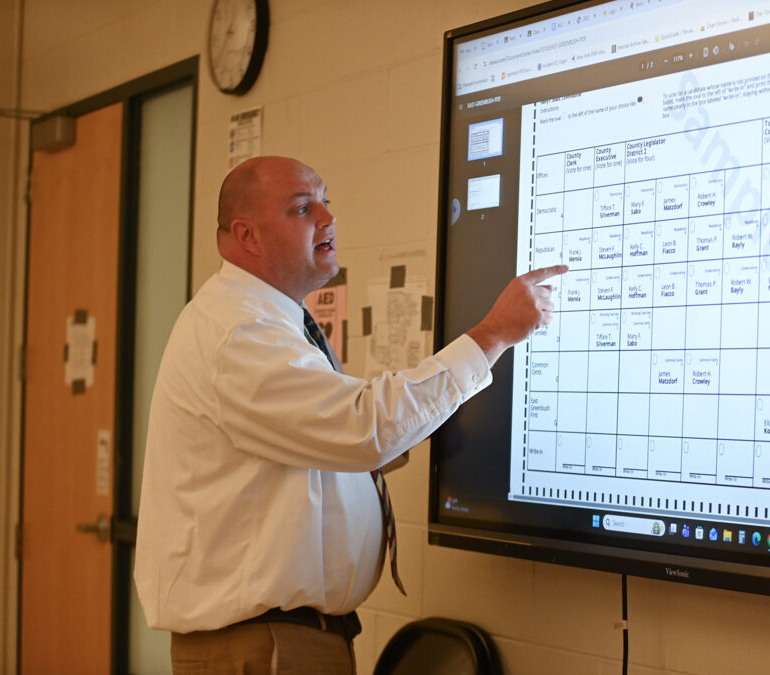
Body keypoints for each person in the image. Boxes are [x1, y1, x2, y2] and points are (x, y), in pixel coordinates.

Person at [134, 155, 566, 673]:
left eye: (325, 200)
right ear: (247, 236)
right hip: (265, 646)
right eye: (302, 207)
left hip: (282, 639)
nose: (327, 217)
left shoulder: (263, 321)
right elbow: (361, 428)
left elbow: (323, 445)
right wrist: (492, 335)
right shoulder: (239, 333)